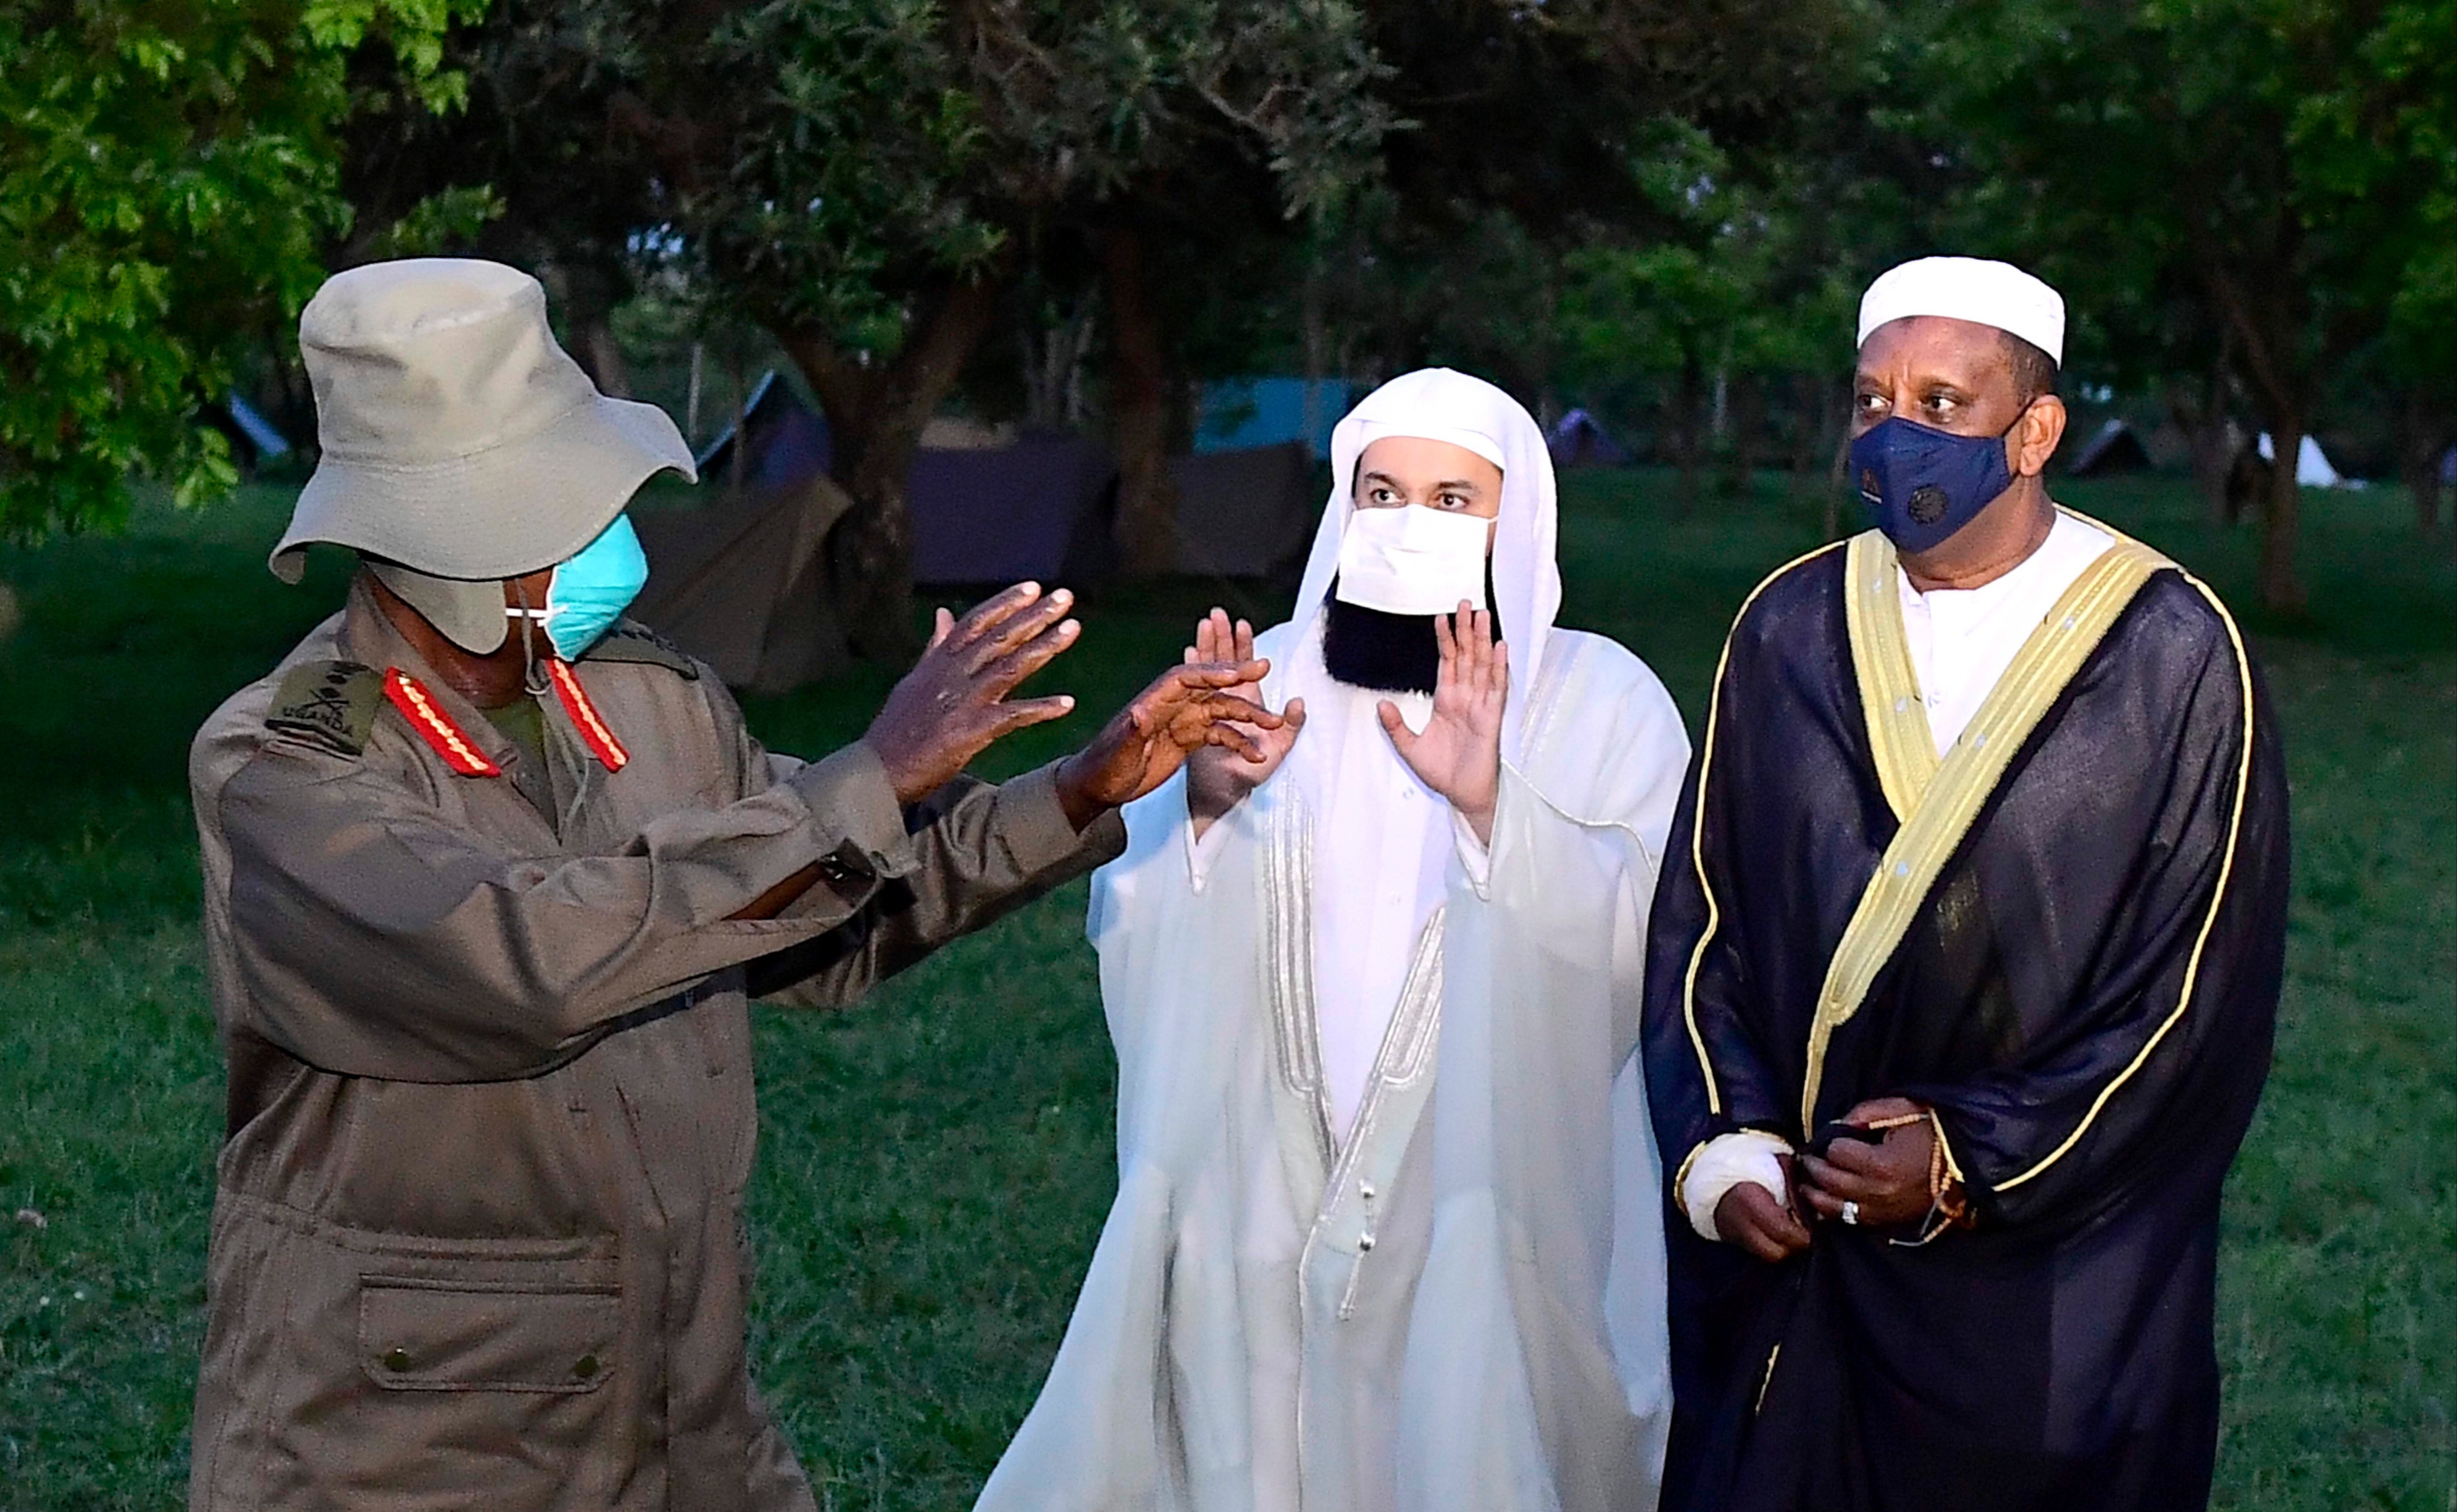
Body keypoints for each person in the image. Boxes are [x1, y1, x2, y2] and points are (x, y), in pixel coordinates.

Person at [185, 258, 1278, 1512]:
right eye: (565, 502)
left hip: (681, 1410)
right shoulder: (288, 767)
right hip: (413, 1443)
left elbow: (823, 900)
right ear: (452, 546)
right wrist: (869, 773)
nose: (613, 530)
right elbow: (521, 959)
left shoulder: (649, 698)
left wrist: (1084, 787)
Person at [977, 368, 1693, 1512]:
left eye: (1456, 498)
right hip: (1262, 1182)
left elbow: (1649, 955)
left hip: (1491, 1188)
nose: (1412, 522)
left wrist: (1494, 809)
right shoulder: (1259, 681)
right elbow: (1131, 917)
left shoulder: (1604, 702)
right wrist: (1201, 804)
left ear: (1521, 520)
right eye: (1383, 490)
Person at [1640, 257, 2290, 1511]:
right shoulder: (1786, 621)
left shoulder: (2171, 646)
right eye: (1872, 398)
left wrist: (1965, 1158)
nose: (1894, 433)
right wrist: (1728, 1139)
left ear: (2036, 428)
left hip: (2049, 1265)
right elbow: (1704, 919)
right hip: (1797, 1235)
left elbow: (2192, 995)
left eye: (1943, 403)